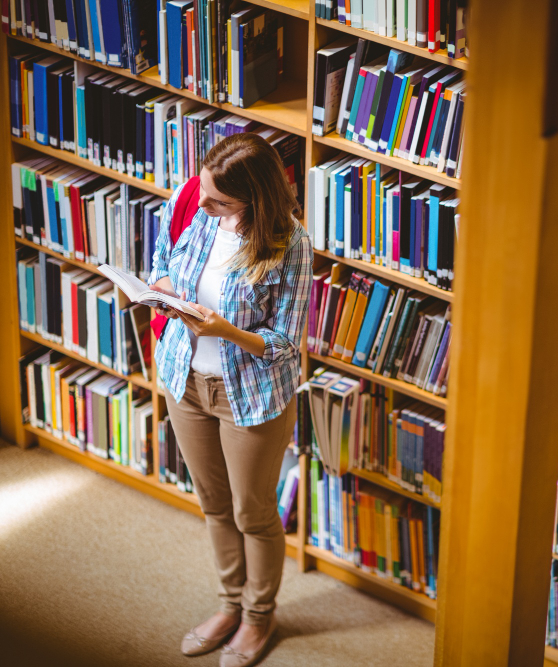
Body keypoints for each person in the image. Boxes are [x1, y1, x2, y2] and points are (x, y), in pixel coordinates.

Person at [149, 133, 312, 667]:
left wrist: (227, 330)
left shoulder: (290, 245)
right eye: (205, 192)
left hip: (251, 394)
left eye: (219, 201)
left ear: (255, 200)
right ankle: (228, 605)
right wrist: (165, 285)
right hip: (187, 380)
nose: (203, 205)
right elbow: (162, 257)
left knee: (253, 512)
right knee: (214, 505)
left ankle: (258, 616)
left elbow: (288, 344)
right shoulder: (193, 200)